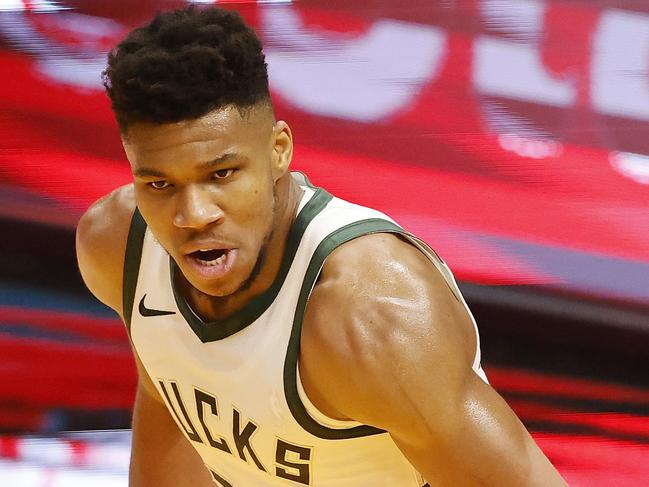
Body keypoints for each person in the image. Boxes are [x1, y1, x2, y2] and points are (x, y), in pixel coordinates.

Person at [76, 6, 568, 487]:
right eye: (160, 185)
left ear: (278, 151)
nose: (194, 216)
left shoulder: (372, 319)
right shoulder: (118, 244)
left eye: (221, 174)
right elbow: (167, 395)